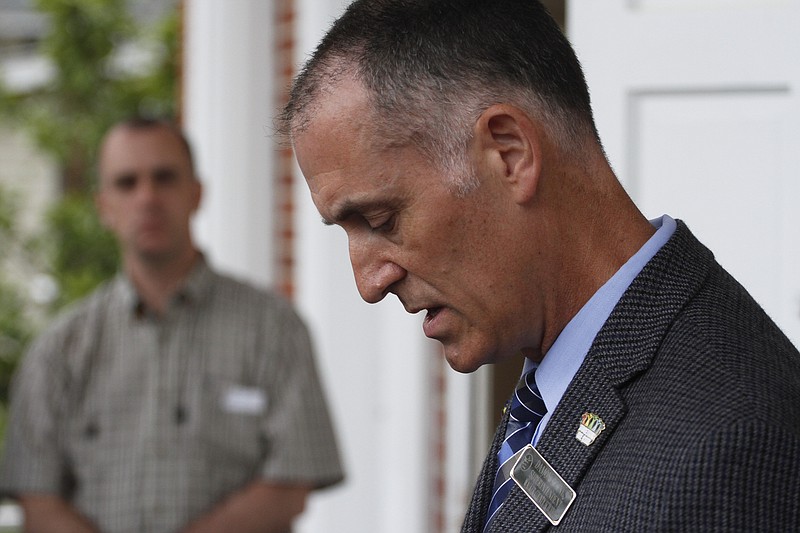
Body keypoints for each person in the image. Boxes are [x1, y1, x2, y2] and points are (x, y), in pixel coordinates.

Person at [279, 0, 800, 531]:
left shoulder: (734, 443)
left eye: (381, 218)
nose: (368, 283)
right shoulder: (562, 380)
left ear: (509, 152)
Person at [0, 118, 344, 533]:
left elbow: (292, 481)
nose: (147, 197)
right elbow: (37, 500)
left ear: (197, 193)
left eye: (164, 178)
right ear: (103, 206)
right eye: (127, 183)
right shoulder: (58, 351)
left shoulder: (274, 330)